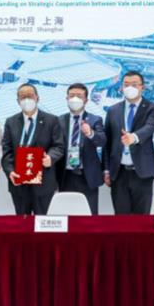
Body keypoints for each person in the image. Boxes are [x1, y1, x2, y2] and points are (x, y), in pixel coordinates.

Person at [103, 71, 154, 214]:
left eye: (134, 84)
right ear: (121, 87)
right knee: (121, 219)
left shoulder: (152, 108)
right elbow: (107, 143)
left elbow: (150, 126)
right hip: (119, 172)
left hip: (142, 172)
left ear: (142, 87)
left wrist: (134, 137)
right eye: (126, 84)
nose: (130, 88)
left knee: (141, 219)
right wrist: (106, 170)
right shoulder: (113, 110)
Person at [2, 83, 65, 215]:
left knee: (42, 222)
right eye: (22, 97)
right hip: (19, 182)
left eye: (30, 96)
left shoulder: (52, 120)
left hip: (44, 182)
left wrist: (50, 158)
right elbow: (7, 151)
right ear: (18, 101)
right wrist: (10, 171)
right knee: (22, 222)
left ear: (37, 98)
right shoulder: (10, 122)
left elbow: (58, 146)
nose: (26, 99)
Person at [55, 83, 106, 215]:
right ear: (67, 99)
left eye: (79, 96)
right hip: (65, 175)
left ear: (86, 100)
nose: (75, 99)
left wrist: (90, 133)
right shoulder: (59, 120)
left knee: (89, 215)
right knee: (66, 213)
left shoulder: (95, 120)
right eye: (72, 96)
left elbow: (102, 141)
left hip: (87, 175)